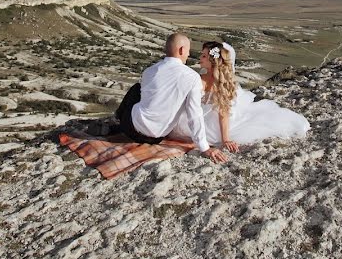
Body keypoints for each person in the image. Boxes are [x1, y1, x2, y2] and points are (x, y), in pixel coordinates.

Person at [169, 41, 310, 149]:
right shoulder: (201, 77)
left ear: (213, 61)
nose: (200, 58)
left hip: (211, 122)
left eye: (204, 55)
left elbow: (223, 112)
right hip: (201, 114)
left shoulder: (212, 82)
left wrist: (225, 140)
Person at [114, 32, 227, 163]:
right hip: (157, 137)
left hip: (131, 129)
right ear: (181, 50)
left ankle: (117, 118)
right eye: (188, 51)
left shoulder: (148, 71)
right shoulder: (192, 77)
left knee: (136, 89)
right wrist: (205, 148)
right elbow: (194, 114)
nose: (189, 54)